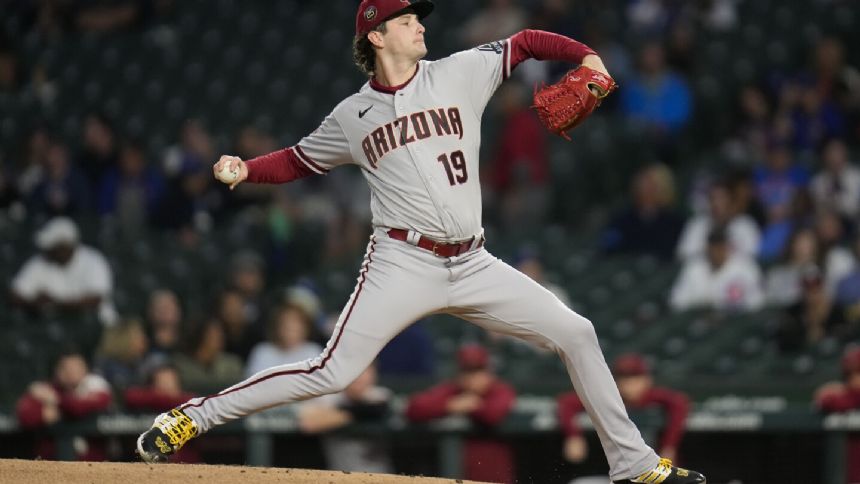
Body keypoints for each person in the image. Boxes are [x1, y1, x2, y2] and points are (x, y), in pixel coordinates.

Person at [137, 2, 705, 482]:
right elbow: (296, 160)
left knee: (577, 333)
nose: (422, 26)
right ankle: (194, 415)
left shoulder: (460, 71)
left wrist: (587, 56)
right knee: (331, 373)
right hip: (401, 261)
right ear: (377, 35)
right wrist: (246, 169)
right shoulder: (353, 115)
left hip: (475, 259)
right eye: (408, 20)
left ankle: (632, 465)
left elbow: (528, 41)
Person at [405, 344, 517, 483]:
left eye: (477, 371)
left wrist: (474, 406)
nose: (472, 378)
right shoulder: (452, 391)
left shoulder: (499, 390)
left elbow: (493, 414)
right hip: (454, 474)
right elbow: (414, 408)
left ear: (488, 372)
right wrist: (449, 406)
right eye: (467, 371)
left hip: (492, 475)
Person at [558, 354, 690, 468]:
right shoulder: (608, 396)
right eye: (625, 380)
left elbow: (680, 403)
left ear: (647, 380)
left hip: (654, 460)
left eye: (635, 379)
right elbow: (567, 402)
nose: (630, 386)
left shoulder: (655, 396)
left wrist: (669, 446)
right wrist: (573, 435)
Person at [9, 216, 117, 326]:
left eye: (53, 246)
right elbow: (15, 295)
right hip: (53, 327)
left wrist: (55, 304)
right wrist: (34, 304)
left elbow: (96, 300)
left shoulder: (93, 260)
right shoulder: (41, 261)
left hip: (96, 327)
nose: (48, 250)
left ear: (65, 246)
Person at [16, 351, 113, 460]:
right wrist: (42, 414)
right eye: (66, 368)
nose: (71, 373)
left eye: (76, 368)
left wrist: (55, 401)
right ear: (57, 371)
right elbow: (25, 416)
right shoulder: (46, 389)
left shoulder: (94, 387)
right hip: (52, 465)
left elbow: (78, 408)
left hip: (94, 465)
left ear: (85, 370)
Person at [297, 364, 394, 473]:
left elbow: (380, 408)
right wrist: (354, 413)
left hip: (380, 475)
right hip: (341, 475)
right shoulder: (330, 399)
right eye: (354, 371)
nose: (359, 377)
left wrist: (336, 416)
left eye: (364, 371)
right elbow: (307, 424)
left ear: (373, 374)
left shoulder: (380, 395)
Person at [670, 228, 765, 313]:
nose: (716, 252)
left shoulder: (745, 267)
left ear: (727, 247)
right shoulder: (694, 267)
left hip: (734, 322)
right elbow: (677, 301)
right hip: (698, 322)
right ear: (707, 248)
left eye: (720, 247)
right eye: (713, 247)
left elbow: (757, 303)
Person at [814, 347, 860, 483]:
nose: (853, 379)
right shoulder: (846, 396)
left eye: (858, 373)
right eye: (849, 374)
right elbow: (824, 400)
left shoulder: (847, 396)